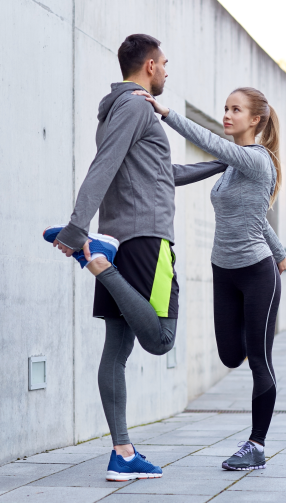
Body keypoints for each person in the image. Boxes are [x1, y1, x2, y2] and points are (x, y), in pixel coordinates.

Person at [51, 34, 225, 481]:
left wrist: (222, 162)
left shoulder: (119, 111)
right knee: (161, 338)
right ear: (149, 66)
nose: (168, 70)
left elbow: (163, 173)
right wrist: (75, 227)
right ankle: (98, 263)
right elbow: (103, 165)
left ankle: (122, 454)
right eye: (165, 63)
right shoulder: (136, 106)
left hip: (120, 235)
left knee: (117, 350)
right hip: (147, 240)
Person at [133, 86, 286, 471]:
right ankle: (257, 343)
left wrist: (166, 113)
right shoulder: (235, 165)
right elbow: (253, 214)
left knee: (259, 361)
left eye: (236, 110)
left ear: (255, 120)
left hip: (256, 273)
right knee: (230, 354)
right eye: (225, 108)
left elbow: (208, 142)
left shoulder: (255, 159)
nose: (227, 115)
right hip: (223, 269)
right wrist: (282, 251)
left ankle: (256, 444)